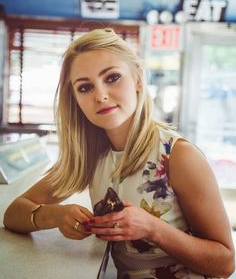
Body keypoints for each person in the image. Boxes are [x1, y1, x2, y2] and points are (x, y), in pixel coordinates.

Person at [3, 28, 235, 279]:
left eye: (112, 78)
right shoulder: (89, 155)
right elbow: (14, 214)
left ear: (137, 79)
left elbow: (224, 263)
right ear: (76, 100)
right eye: (84, 87)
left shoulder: (178, 156)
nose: (100, 95)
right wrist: (56, 215)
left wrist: (152, 228)